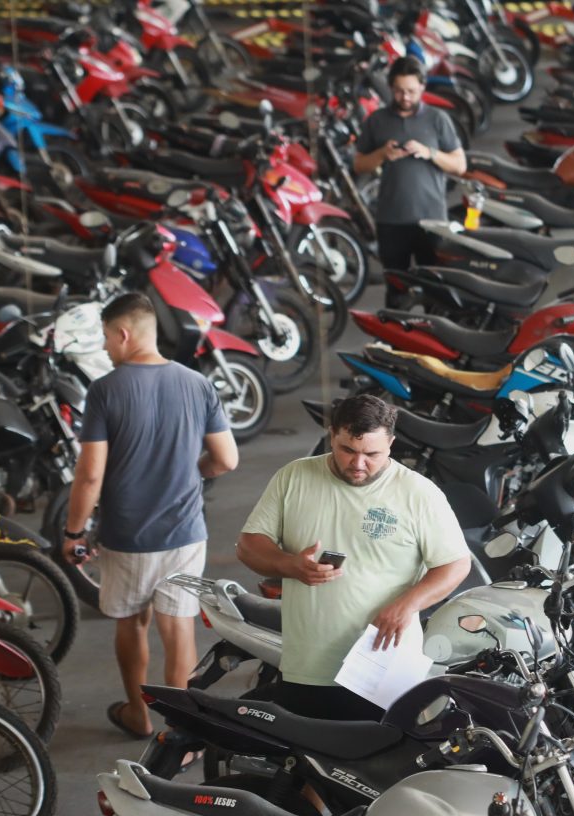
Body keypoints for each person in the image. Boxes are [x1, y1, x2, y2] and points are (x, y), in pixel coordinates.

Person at [64, 292, 240, 740]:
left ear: (123, 334)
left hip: (127, 535)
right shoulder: (197, 383)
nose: (105, 347)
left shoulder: (105, 390)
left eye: (106, 337)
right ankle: (180, 732)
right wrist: (193, 472)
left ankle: (137, 715)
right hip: (185, 531)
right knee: (178, 628)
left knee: (132, 622)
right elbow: (226, 460)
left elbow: (89, 476)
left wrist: (73, 531)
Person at [236, 394, 471, 718]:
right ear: (332, 435)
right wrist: (290, 565)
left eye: (371, 454)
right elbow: (249, 546)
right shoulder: (294, 477)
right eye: (347, 450)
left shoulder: (419, 494)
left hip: (384, 670)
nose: (358, 464)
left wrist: (406, 605)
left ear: (390, 443)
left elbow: (455, 564)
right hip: (307, 667)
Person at [353, 56, 467, 307]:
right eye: (399, 91)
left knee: (437, 293)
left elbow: (460, 165)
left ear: (423, 87)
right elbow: (359, 164)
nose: (405, 97)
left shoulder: (438, 119)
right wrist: (382, 154)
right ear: (390, 87)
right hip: (391, 221)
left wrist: (430, 153)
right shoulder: (376, 121)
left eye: (411, 91)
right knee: (397, 294)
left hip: (432, 220)